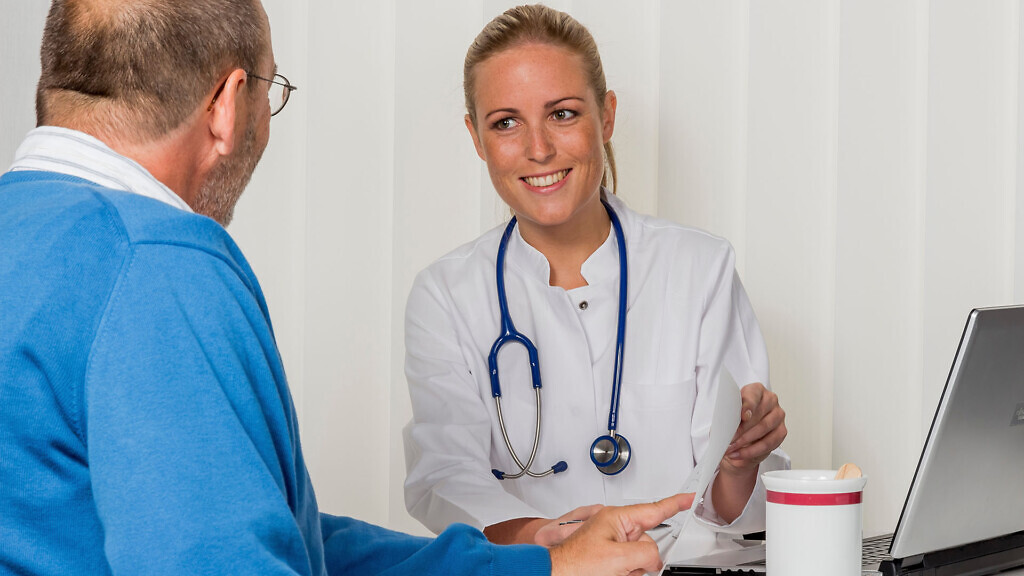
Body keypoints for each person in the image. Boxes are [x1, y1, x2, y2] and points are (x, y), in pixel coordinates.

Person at [0, 1, 693, 575]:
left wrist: (537, 566)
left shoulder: (25, 229)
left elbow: (267, 529)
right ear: (227, 105)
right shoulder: (156, 261)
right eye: (271, 94)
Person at [403, 3, 789, 553]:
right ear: (476, 137)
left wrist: (737, 463)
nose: (538, 149)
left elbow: (731, 507)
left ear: (606, 116)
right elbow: (446, 478)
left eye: (562, 113)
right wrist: (550, 542)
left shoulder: (699, 269)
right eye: (506, 122)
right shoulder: (446, 296)